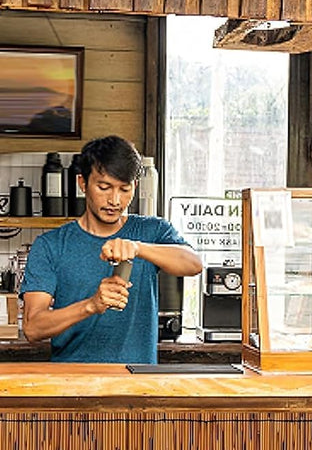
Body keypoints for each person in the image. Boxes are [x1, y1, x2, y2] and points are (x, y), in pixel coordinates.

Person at [20, 136, 202, 363]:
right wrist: (91, 305)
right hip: (71, 384)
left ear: (134, 187)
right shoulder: (51, 245)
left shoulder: (152, 231)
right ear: (82, 183)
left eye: (124, 189)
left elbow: (194, 263)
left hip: (137, 384)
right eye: (104, 187)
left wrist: (137, 248)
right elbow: (33, 328)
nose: (115, 200)